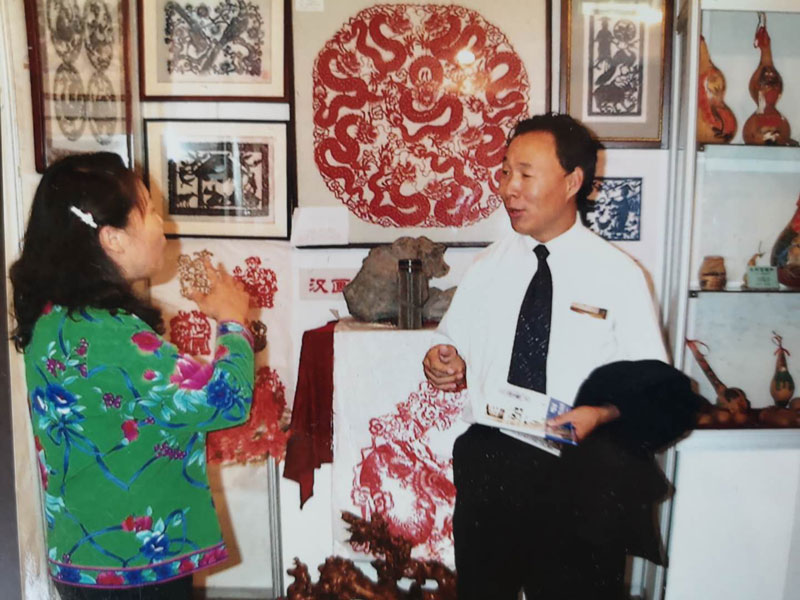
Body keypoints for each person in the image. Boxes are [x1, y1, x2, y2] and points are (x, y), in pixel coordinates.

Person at [422, 114, 669, 599]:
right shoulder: (488, 266)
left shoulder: (618, 275)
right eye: (504, 172)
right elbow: (450, 344)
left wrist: (600, 413)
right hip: (492, 464)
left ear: (572, 181)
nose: (508, 188)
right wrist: (441, 360)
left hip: (579, 472)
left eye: (525, 174)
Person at [10, 153, 254, 599]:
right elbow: (227, 400)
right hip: (134, 567)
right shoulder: (110, 332)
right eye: (151, 211)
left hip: (89, 554)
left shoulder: (54, 317)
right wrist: (234, 321)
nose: (163, 224)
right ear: (113, 239)